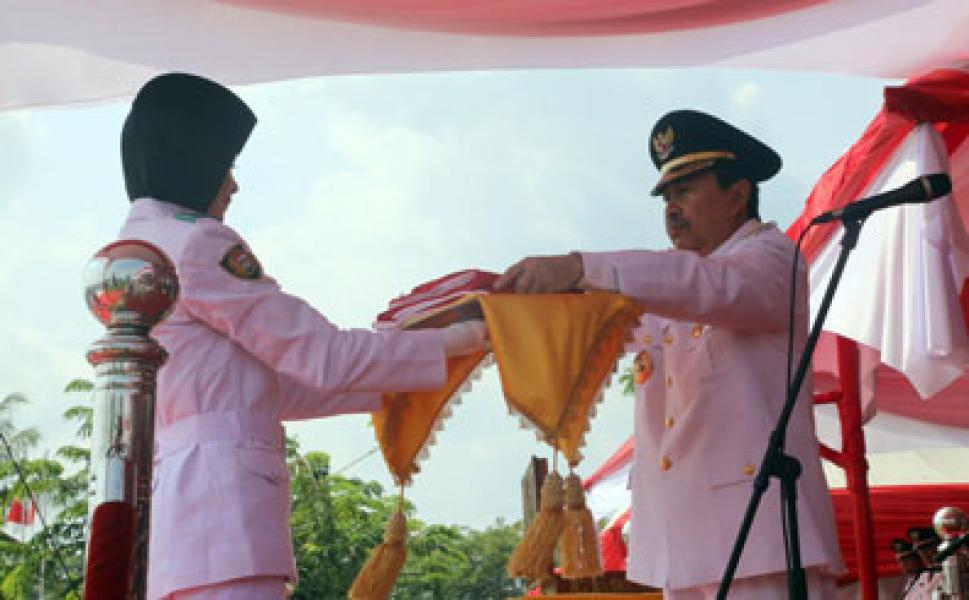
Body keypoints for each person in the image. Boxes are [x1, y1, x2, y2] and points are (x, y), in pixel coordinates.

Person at [118, 72, 487, 600]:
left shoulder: (140, 247)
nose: (233, 184)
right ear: (193, 159)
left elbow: (272, 387)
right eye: (227, 165)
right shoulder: (198, 246)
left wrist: (407, 377)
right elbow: (323, 356)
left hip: (186, 533)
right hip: (227, 525)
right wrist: (463, 338)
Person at [496, 110, 843, 599]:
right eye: (666, 197)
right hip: (682, 545)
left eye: (686, 192)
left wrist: (578, 266)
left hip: (761, 539)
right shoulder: (671, 287)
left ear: (738, 193)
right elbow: (596, 327)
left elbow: (706, 288)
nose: (671, 209)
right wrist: (501, 312)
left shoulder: (771, 258)